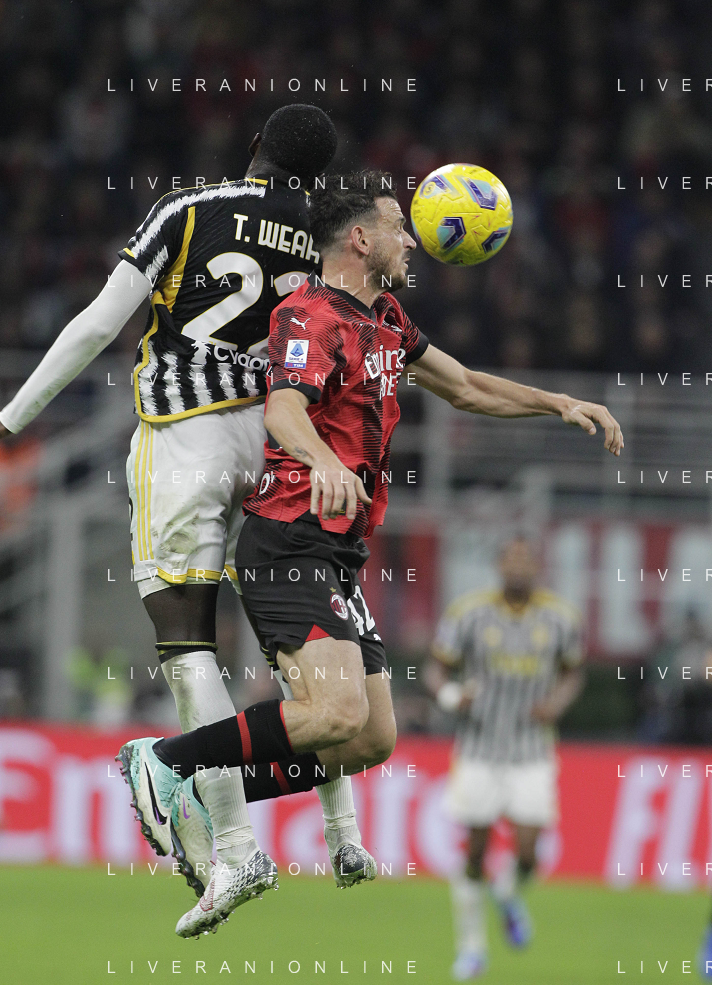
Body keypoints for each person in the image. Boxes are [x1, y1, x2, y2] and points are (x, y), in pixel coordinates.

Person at [123, 171, 622, 939]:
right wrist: (322, 459)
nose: (412, 239)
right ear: (360, 238)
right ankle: (165, 761)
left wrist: (557, 403)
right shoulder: (309, 314)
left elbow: (464, 385)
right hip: (289, 536)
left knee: (367, 740)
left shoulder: (385, 316)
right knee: (335, 710)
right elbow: (283, 405)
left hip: (338, 551)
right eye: (398, 225)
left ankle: (199, 787)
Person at [0, 104, 354, 899]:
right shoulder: (327, 237)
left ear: (254, 145)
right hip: (278, 445)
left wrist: (13, 416)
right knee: (297, 647)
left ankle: (236, 848)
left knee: (188, 646)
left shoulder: (187, 209)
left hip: (188, 437)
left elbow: (100, 323)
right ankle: (342, 828)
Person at [427, 538, 586, 980]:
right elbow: (436, 666)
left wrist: (557, 703)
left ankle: (507, 890)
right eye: (511, 560)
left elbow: (574, 671)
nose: (518, 567)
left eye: (526, 560)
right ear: (499, 566)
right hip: (479, 747)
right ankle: (472, 948)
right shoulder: (469, 613)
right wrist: (450, 695)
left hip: (531, 748)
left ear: (537, 566)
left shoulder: (561, 618)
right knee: (476, 850)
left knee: (530, 852)